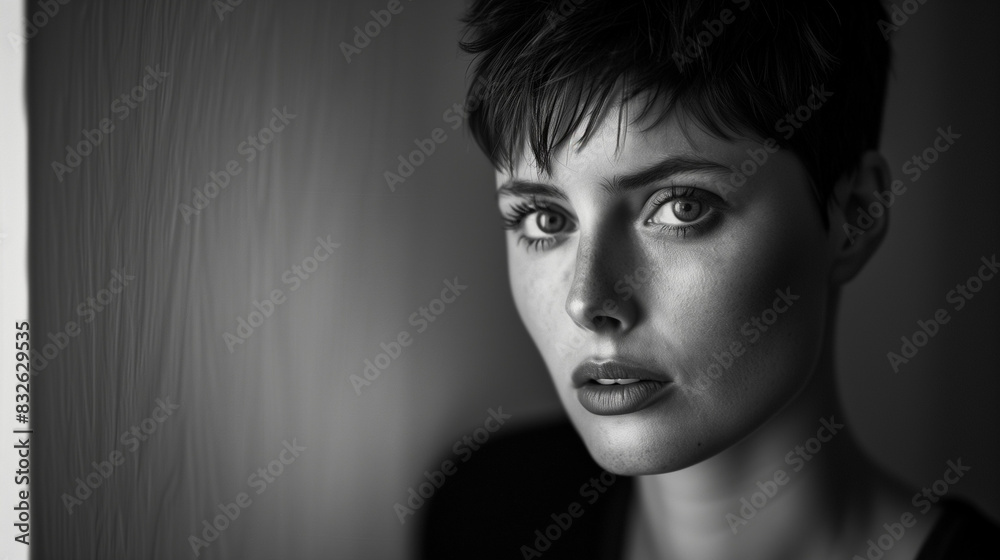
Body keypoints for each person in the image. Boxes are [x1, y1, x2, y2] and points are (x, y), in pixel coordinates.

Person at [420, 1, 999, 558]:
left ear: (856, 213)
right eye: (546, 220)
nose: (588, 300)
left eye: (680, 208)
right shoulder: (483, 513)